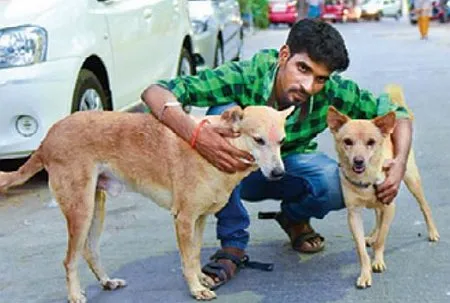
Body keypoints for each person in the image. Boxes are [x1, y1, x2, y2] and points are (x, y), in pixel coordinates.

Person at [141, 19, 412, 289]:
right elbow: (155, 92)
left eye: (319, 78)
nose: (308, 85)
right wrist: (197, 136)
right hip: (231, 168)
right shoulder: (247, 75)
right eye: (302, 69)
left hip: (287, 169)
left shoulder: (331, 91)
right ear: (284, 55)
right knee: (221, 113)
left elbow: (397, 114)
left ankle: (294, 217)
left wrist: (398, 164)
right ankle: (233, 244)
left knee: (333, 182)